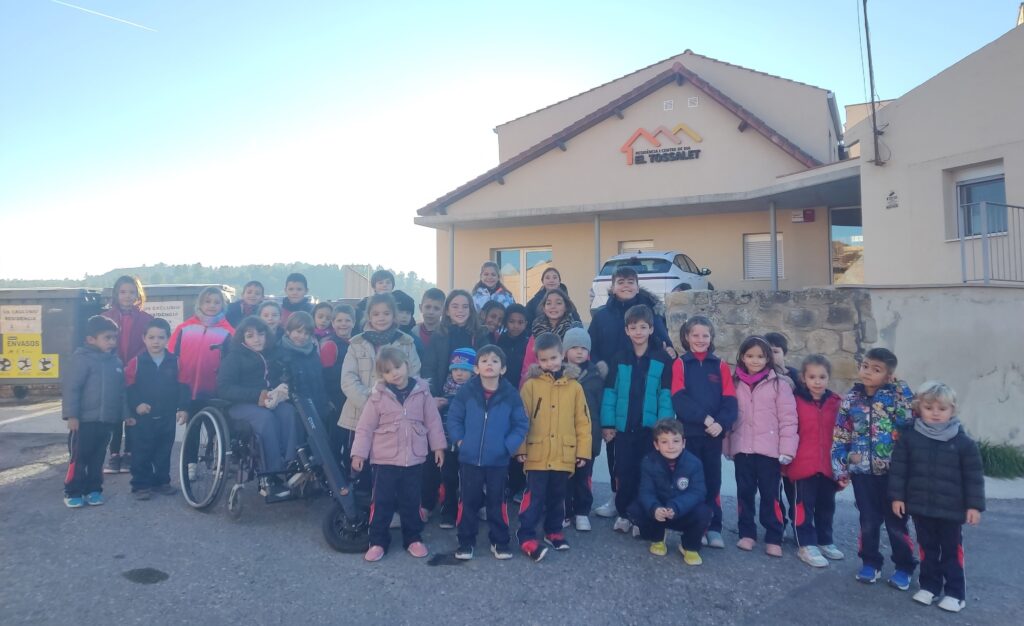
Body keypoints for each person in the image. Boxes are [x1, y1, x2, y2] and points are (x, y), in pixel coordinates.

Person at [889, 381, 985, 613]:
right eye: (929, 407)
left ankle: (955, 593)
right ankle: (929, 587)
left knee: (951, 551)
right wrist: (897, 497)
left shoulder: (964, 443)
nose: (935, 413)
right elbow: (899, 470)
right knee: (927, 549)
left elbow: (973, 477)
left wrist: (974, 506)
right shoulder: (909, 439)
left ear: (952, 410)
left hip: (952, 510)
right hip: (921, 507)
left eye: (942, 409)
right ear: (919, 408)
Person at [589, 266, 674, 518]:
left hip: (645, 384)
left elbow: (664, 343)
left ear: (637, 285)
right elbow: (591, 348)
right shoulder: (602, 316)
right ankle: (617, 497)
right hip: (614, 386)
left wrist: (670, 351)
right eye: (621, 282)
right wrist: (600, 366)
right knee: (616, 452)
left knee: (644, 457)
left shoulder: (650, 312)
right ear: (613, 286)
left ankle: (642, 502)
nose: (626, 286)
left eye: (630, 282)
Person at [832, 347, 917, 589]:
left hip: (893, 474)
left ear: (888, 376)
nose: (868, 372)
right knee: (868, 521)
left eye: (876, 369)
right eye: (866, 366)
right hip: (862, 474)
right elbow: (841, 434)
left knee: (896, 523)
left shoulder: (895, 397)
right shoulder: (851, 399)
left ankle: (904, 566)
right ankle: (870, 562)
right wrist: (841, 467)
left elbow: (908, 421)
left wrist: (900, 388)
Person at [351, 347, 447, 562]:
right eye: (387, 371)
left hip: (413, 459)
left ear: (407, 365)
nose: (394, 373)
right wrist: (358, 454)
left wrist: (438, 447)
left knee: (411, 501)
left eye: (397, 367)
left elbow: (433, 421)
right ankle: (378, 541)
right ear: (382, 375)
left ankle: (413, 538)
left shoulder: (422, 392)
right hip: (384, 460)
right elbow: (365, 427)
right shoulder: (377, 397)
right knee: (382, 501)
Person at [448, 345, 529, 560]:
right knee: (468, 501)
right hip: (469, 459)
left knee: (497, 502)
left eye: (494, 361)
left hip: (498, 461)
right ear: (476, 368)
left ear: (503, 369)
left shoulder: (511, 394)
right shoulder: (466, 391)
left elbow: (521, 424)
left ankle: (499, 541)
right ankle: (466, 542)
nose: (489, 364)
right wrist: (460, 440)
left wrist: (507, 447)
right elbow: (454, 418)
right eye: (484, 361)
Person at [516, 332, 592, 561]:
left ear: (562, 355)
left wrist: (582, 451)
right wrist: (520, 448)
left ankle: (553, 530)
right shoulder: (530, 386)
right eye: (544, 359)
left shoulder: (575, 387)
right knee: (534, 496)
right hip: (537, 453)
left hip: (563, 453)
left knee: (558, 496)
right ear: (537, 360)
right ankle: (526, 533)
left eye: (553, 358)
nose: (550, 363)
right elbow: (521, 419)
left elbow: (583, 421)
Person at [600, 304, 675, 535]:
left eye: (643, 327)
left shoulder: (662, 358)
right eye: (633, 327)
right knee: (624, 472)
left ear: (651, 329)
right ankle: (624, 513)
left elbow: (665, 395)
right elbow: (610, 392)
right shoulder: (619, 358)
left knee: (646, 474)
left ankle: (640, 516)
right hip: (624, 429)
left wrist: (663, 427)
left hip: (649, 430)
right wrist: (608, 424)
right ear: (626, 330)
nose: (638, 332)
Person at [339, 293, 421, 498]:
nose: (381, 318)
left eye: (386, 313)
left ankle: (389, 504)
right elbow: (348, 378)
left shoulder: (406, 342)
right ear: (368, 316)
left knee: (389, 464)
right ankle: (361, 503)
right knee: (360, 461)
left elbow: (413, 375)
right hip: (359, 413)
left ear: (394, 315)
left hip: (393, 415)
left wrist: (390, 403)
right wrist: (370, 402)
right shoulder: (356, 343)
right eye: (376, 314)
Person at [726, 335, 798, 557]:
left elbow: (788, 419)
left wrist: (787, 449)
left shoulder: (779, 384)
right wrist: (727, 445)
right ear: (742, 357)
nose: (755, 360)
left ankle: (774, 536)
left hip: (769, 451)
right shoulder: (734, 383)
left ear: (768, 358)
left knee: (770, 495)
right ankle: (746, 533)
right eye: (750, 356)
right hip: (743, 449)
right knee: (744, 493)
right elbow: (728, 415)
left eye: (760, 356)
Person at [669, 315, 737, 549]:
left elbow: (730, 400)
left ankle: (714, 526)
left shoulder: (720, 365)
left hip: (713, 436)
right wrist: (705, 419)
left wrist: (721, 424)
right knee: (689, 482)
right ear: (687, 337)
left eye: (705, 335)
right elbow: (679, 398)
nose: (700, 339)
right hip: (690, 434)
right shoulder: (680, 364)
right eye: (695, 335)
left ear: (711, 337)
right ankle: (694, 527)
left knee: (712, 481)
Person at [215, 317, 294, 500]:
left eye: (261, 334)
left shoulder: (272, 355)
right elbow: (224, 389)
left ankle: (290, 465)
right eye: (250, 336)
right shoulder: (234, 357)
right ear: (242, 338)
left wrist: (281, 389)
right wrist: (257, 395)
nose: (257, 339)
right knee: (266, 419)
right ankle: (271, 475)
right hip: (239, 405)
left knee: (289, 413)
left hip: (268, 401)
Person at [782, 354, 844, 567]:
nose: (817, 382)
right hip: (802, 464)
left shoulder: (836, 403)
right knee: (803, 506)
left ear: (828, 378)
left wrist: (844, 466)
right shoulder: (794, 401)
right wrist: (785, 461)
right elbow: (788, 430)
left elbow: (843, 434)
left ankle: (825, 540)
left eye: (822, 377)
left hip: (828, 466)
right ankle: (806, 544)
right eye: (812, 377)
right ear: (803, 378)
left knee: (827, 506)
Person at [628, 419, 712, 566]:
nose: (671, 446)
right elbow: (645, 491)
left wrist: (676, 507)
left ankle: (689, 546)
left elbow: (698, 492)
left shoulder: (694, 463)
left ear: (683, 443)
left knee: (704, 512)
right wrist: (654, 508)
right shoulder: (648, 462)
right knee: (635, 509)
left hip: (681, 511)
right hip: (660, 512)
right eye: (664, 442)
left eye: (676, 441)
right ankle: (657, 537)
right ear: (656, 445)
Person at [62, 316, 125, 508]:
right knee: (79, 458)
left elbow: (121, 393)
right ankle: (73, 491)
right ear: (91, 339)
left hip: (105, 422)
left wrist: (125, 415)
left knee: (97, 459)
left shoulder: (116, 363)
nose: (112, 342)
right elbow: (72, 388)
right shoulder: (81, 360)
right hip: (83, 422)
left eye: (114, 338)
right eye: (107, 338)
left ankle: (94, 490)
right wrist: (72, 416)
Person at [124, 318, 190, 500]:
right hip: (142, 417)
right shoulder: (136, 362)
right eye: (151, 337)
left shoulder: (176, 362)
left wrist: (183, 408)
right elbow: (128, 387)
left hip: (167, 415)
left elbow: (184, 385)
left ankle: (162, 482)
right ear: (144, 338)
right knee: (141, 452)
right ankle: (141, 485)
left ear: (168, 338)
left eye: (161, 337)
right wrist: (136, 404)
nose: (156, 341)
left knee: (163, 450)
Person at [101, 275, 154, 474]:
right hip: (112, 370)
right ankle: (114, 454)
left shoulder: (146, 319)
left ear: (138, 295)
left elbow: (148, 345)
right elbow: (100, 342)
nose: (127, 296)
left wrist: (132, 363)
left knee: (133, 411)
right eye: (123, 292)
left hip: (136, 372)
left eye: (132, 292)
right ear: (116, 294)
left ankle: (130, 453)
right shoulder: (105, 317)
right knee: (115, 414)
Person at [424, 347, 476, 528]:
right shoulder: (445, 388)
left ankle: (470, 509)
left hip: (468, 444)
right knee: (448, 478)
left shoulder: (476, 390)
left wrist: (449, 402)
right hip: (447, 443)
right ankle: (448, 511)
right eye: (455, 369)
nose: (459, 374)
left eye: (464, 370)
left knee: (469, 480)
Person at [562, 327, 606, 531]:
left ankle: (582, 511)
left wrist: (604, 428)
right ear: (565, 351)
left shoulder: (596, 375)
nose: (579, 352)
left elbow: (601, 404)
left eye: (583, 348)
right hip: (563, 433)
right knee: (564, 476)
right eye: (574, 347)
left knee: (583, 476)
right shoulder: (558, 374)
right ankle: (565, 511)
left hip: (589, 433)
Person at [169, 287, 233, 406]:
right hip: (183, 390)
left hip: (213, 393)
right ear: (200, 304)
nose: (212, 305)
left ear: (222, 306)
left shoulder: (229, 332)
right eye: (207, 301)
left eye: (217, 302)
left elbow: (232, 364)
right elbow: (171, 355)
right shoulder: (183, 328)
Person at [422, 290, 490, 398]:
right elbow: (429, 368)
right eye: (455, 306)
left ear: (471, 310)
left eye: (465, 306)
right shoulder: (438, 335)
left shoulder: (480, 335)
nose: (460, 310)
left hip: (475, 395)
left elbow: (488, 365)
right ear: (447, 311)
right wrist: (433, 396)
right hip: (444, 395)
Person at [276, 312, 329, 426]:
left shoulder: (312, 352)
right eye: (298, 331)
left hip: (318, 406)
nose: (302, 336)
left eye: (306, 333)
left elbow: (320, 380)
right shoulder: (280, 354)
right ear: (288, 331)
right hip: (298, 412)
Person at [519, 288, 584, 382]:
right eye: (548, 303)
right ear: (544, 308)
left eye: (558, 303)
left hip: (569, 384)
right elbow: (527, 367)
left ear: (566, 307)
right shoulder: (536, 334)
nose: (553, 307)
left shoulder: (575, 333)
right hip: (540, 384)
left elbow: (584, 363)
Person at [320, 304, 354, 462]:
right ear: (333, 323)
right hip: (337, 401)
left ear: (354, 322)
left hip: (352, 398)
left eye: (347, 320)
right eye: (339, 320)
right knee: (336, 438)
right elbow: (325, 376)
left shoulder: (356, 343)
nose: (343, 324)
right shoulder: (330, 345)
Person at [497, 304, 530, 389]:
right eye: (511, 321)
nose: (516, 326)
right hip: (500, 387)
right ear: (506, 322)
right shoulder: (499, 341)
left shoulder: (529, 343)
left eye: (520, 322)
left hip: (522, 387)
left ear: (526, 323)